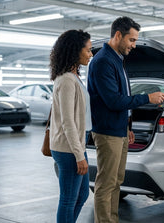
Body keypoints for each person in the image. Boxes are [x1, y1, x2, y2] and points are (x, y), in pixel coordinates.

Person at [87, 16, 164, 223]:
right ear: (118, 35)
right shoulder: (103, 61)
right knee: (106, 183)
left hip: (119, 130)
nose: (134, 45)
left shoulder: (117, 59)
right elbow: (114, 101)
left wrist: (127, 125)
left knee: (116, 181)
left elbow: (123, 95)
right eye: (131, 40)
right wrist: (147, 98)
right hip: (107, 132)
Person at [49, 29, 93, 223]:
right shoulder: (67, 80)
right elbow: (68, 122)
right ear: (75, 50)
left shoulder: (74, 77)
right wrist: (78, 155)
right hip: (68, 149)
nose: (91, 54)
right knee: (68, 199)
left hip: (76, 145)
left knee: (82, 195)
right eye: (88, 50)